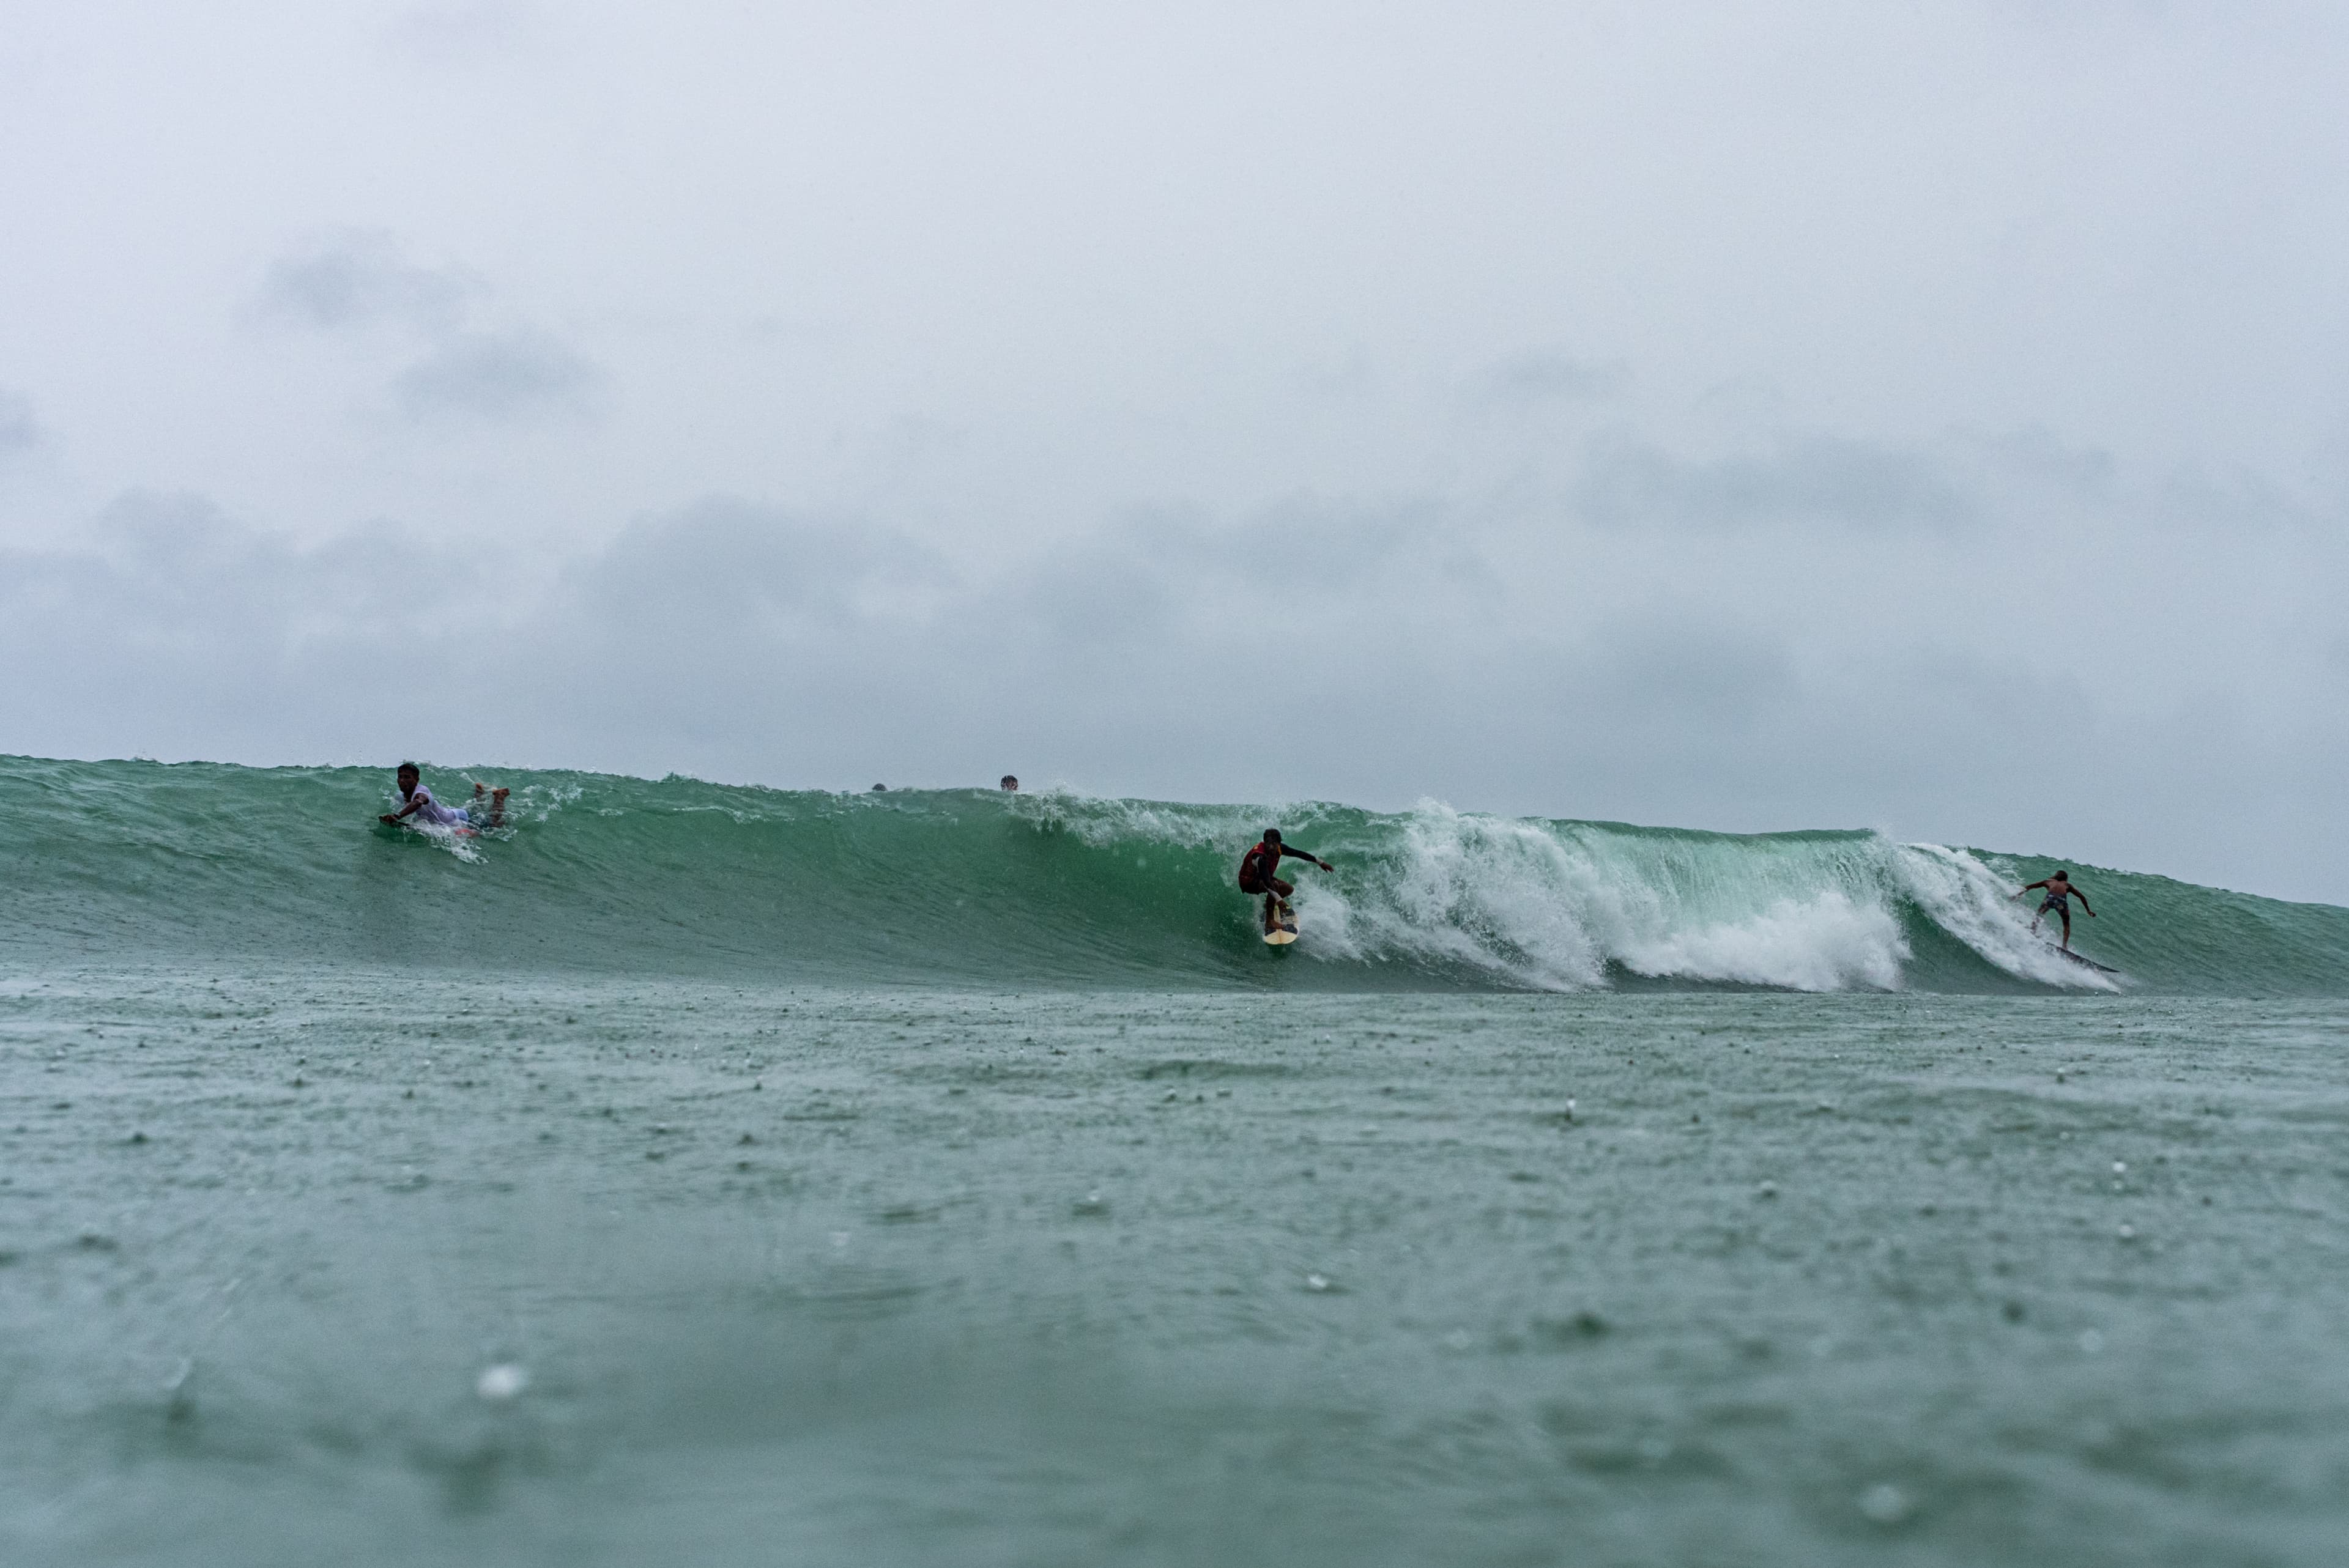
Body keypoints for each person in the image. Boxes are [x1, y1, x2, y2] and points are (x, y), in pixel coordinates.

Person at [1237, 828, 1332, 934]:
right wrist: (1279, 900)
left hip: (1262, 878)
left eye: (1274, 844)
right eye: (1268, 844)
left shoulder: (1280, 849)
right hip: (1249, 882)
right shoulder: (1260, 857)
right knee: (1275, 886)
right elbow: (1267, 883)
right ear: (1264, 842)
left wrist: (1320, 862)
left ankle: (1267, 906)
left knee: (1288, 889)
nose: (1271, 847)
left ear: (1279, 843)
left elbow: (1298, 854)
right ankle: (1269, 922)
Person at [380, 763, 508, 832]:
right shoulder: (400, 796)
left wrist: (397, 817)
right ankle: (479, 793)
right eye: (400, 777)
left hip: (457, 819)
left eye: (407, 777)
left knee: (493, 826)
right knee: (477, 813)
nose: (402, 781)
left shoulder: (422, 792)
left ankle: (500, 797)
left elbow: (418, 802)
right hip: (450, 813)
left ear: (417, 780)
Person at [2014, 868, 2094, 950]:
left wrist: (2017, 895)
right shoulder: (2067, 885)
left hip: (2049, 899)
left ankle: (2033, 931)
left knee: (2039, 915)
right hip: (2061, 903)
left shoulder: (2048, 881)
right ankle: (2064, 946)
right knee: (2066, 925)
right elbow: (2081, 897)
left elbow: (2029, 887)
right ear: (2065, 879)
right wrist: (2088, 910)